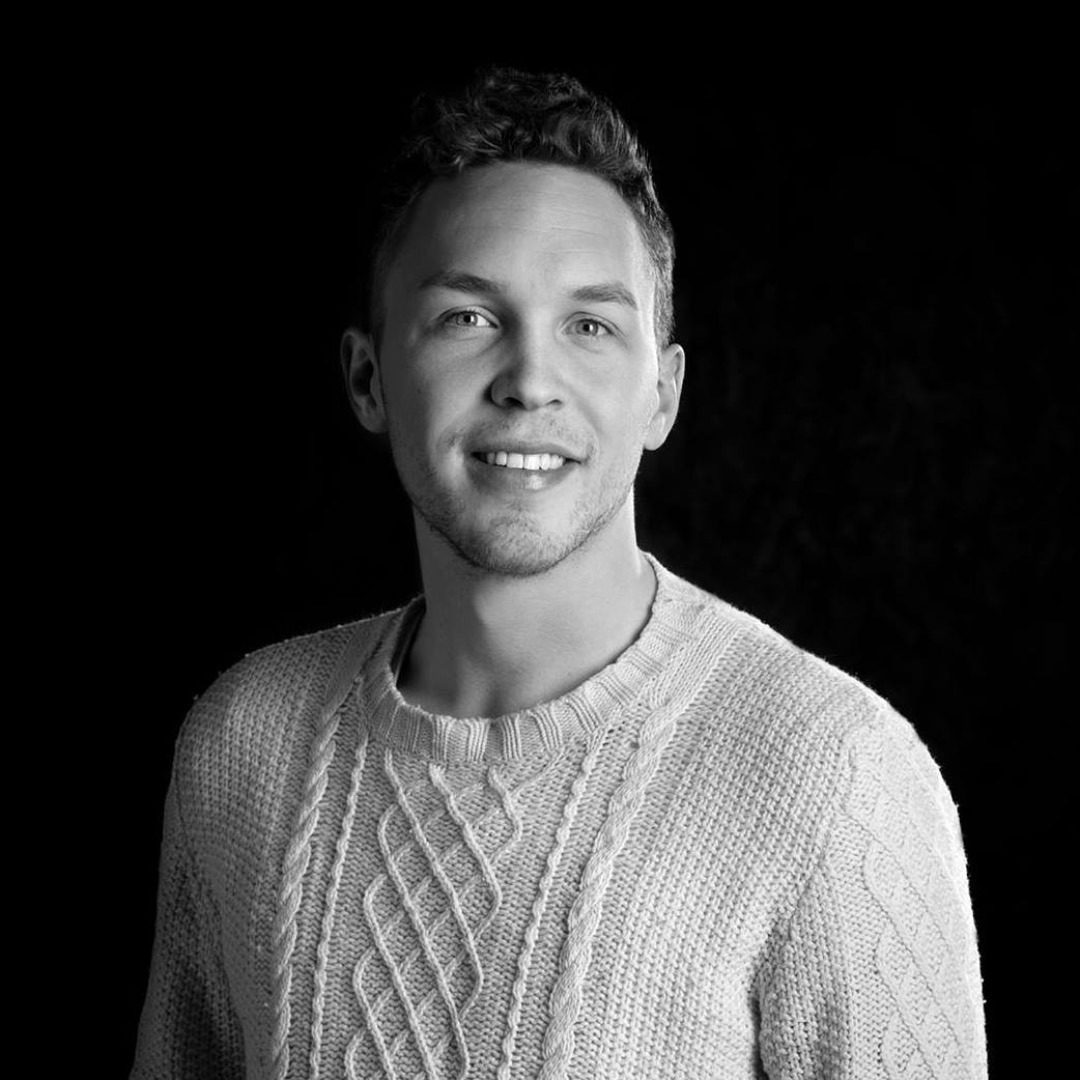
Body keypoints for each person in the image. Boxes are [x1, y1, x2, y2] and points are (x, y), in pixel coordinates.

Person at [132, 68, 987, 1079]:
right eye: (468, 318)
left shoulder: (836, 776)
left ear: (662, 394)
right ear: (367, 378)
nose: (530, 381)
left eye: (590, 326)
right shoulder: (241, 746)